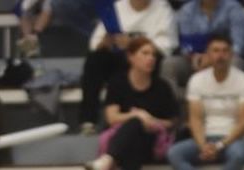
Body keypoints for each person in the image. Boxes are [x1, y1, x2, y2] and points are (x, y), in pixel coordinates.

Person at [82, 36, 180, 170]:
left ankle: (107, 161)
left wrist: (151, 120)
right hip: (126, 142)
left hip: (153, 143)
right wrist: (137, 116)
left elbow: (172, 121)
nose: (151, 58)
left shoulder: (162, 86)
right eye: (145, 53)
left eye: (153, 54)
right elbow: (112, 118)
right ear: (131, 57)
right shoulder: (117, 82)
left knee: (136, 126)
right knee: (134, 131)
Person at [170, 33, 244, 170]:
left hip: (233, 138)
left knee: (238, 154)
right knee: (175, 153)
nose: (220, 56)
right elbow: (195, 119)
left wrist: (219, 146)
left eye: (225, 51)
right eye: (215, 51)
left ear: (231, 54)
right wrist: (203, 145)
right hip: (205, 137)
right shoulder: (197, 80)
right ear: (207, 54)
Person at [76, 0, 178, 135]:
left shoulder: (162, 9)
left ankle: (145, 117)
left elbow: (167, 44)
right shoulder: (118, 7)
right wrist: (105, 42)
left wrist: (133, 44)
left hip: (149, 57)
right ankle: (88, 120)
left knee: (148, 58)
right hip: (118, 57)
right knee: (95, 59)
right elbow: (95, 44)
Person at [166, 0, 244, 93]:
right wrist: (196, 58)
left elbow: (238, 46)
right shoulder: (187, 10)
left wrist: (211, 58)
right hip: (193, 59)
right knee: (170, 64)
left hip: (223, 57)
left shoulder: (234, 8)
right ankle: (174, 101)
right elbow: (186, 45)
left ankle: (228, 98)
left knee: (236, 62)